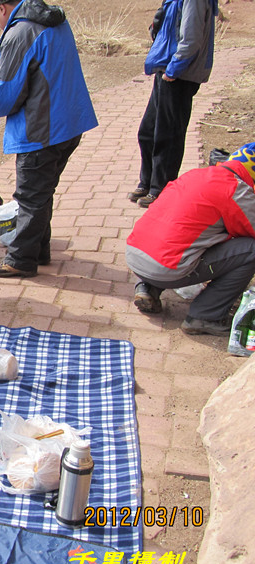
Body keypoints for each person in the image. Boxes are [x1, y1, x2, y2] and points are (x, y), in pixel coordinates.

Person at [0, 0, 97, 278]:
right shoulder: (54, 20)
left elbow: (6, 97)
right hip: (69, 122)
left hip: (41, 129)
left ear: (2, 9)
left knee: (30, 196)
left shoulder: (20, 33)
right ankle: (40, 249)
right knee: (43, 191)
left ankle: (21, 259)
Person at [126, 143, 255, 336]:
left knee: (180, 233)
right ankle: (204, 316)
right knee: (251, 250)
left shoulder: (196, 175)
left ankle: (147, 287)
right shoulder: (236, 189)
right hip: (165, 267)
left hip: (135, 255)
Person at [128, 0, 217, 208]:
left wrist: (174, 69)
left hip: (179, 74)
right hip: (166, 68)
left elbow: (191, 38)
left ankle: (161, 190)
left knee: (168, 135)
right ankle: (148, 182)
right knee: (148, 131)